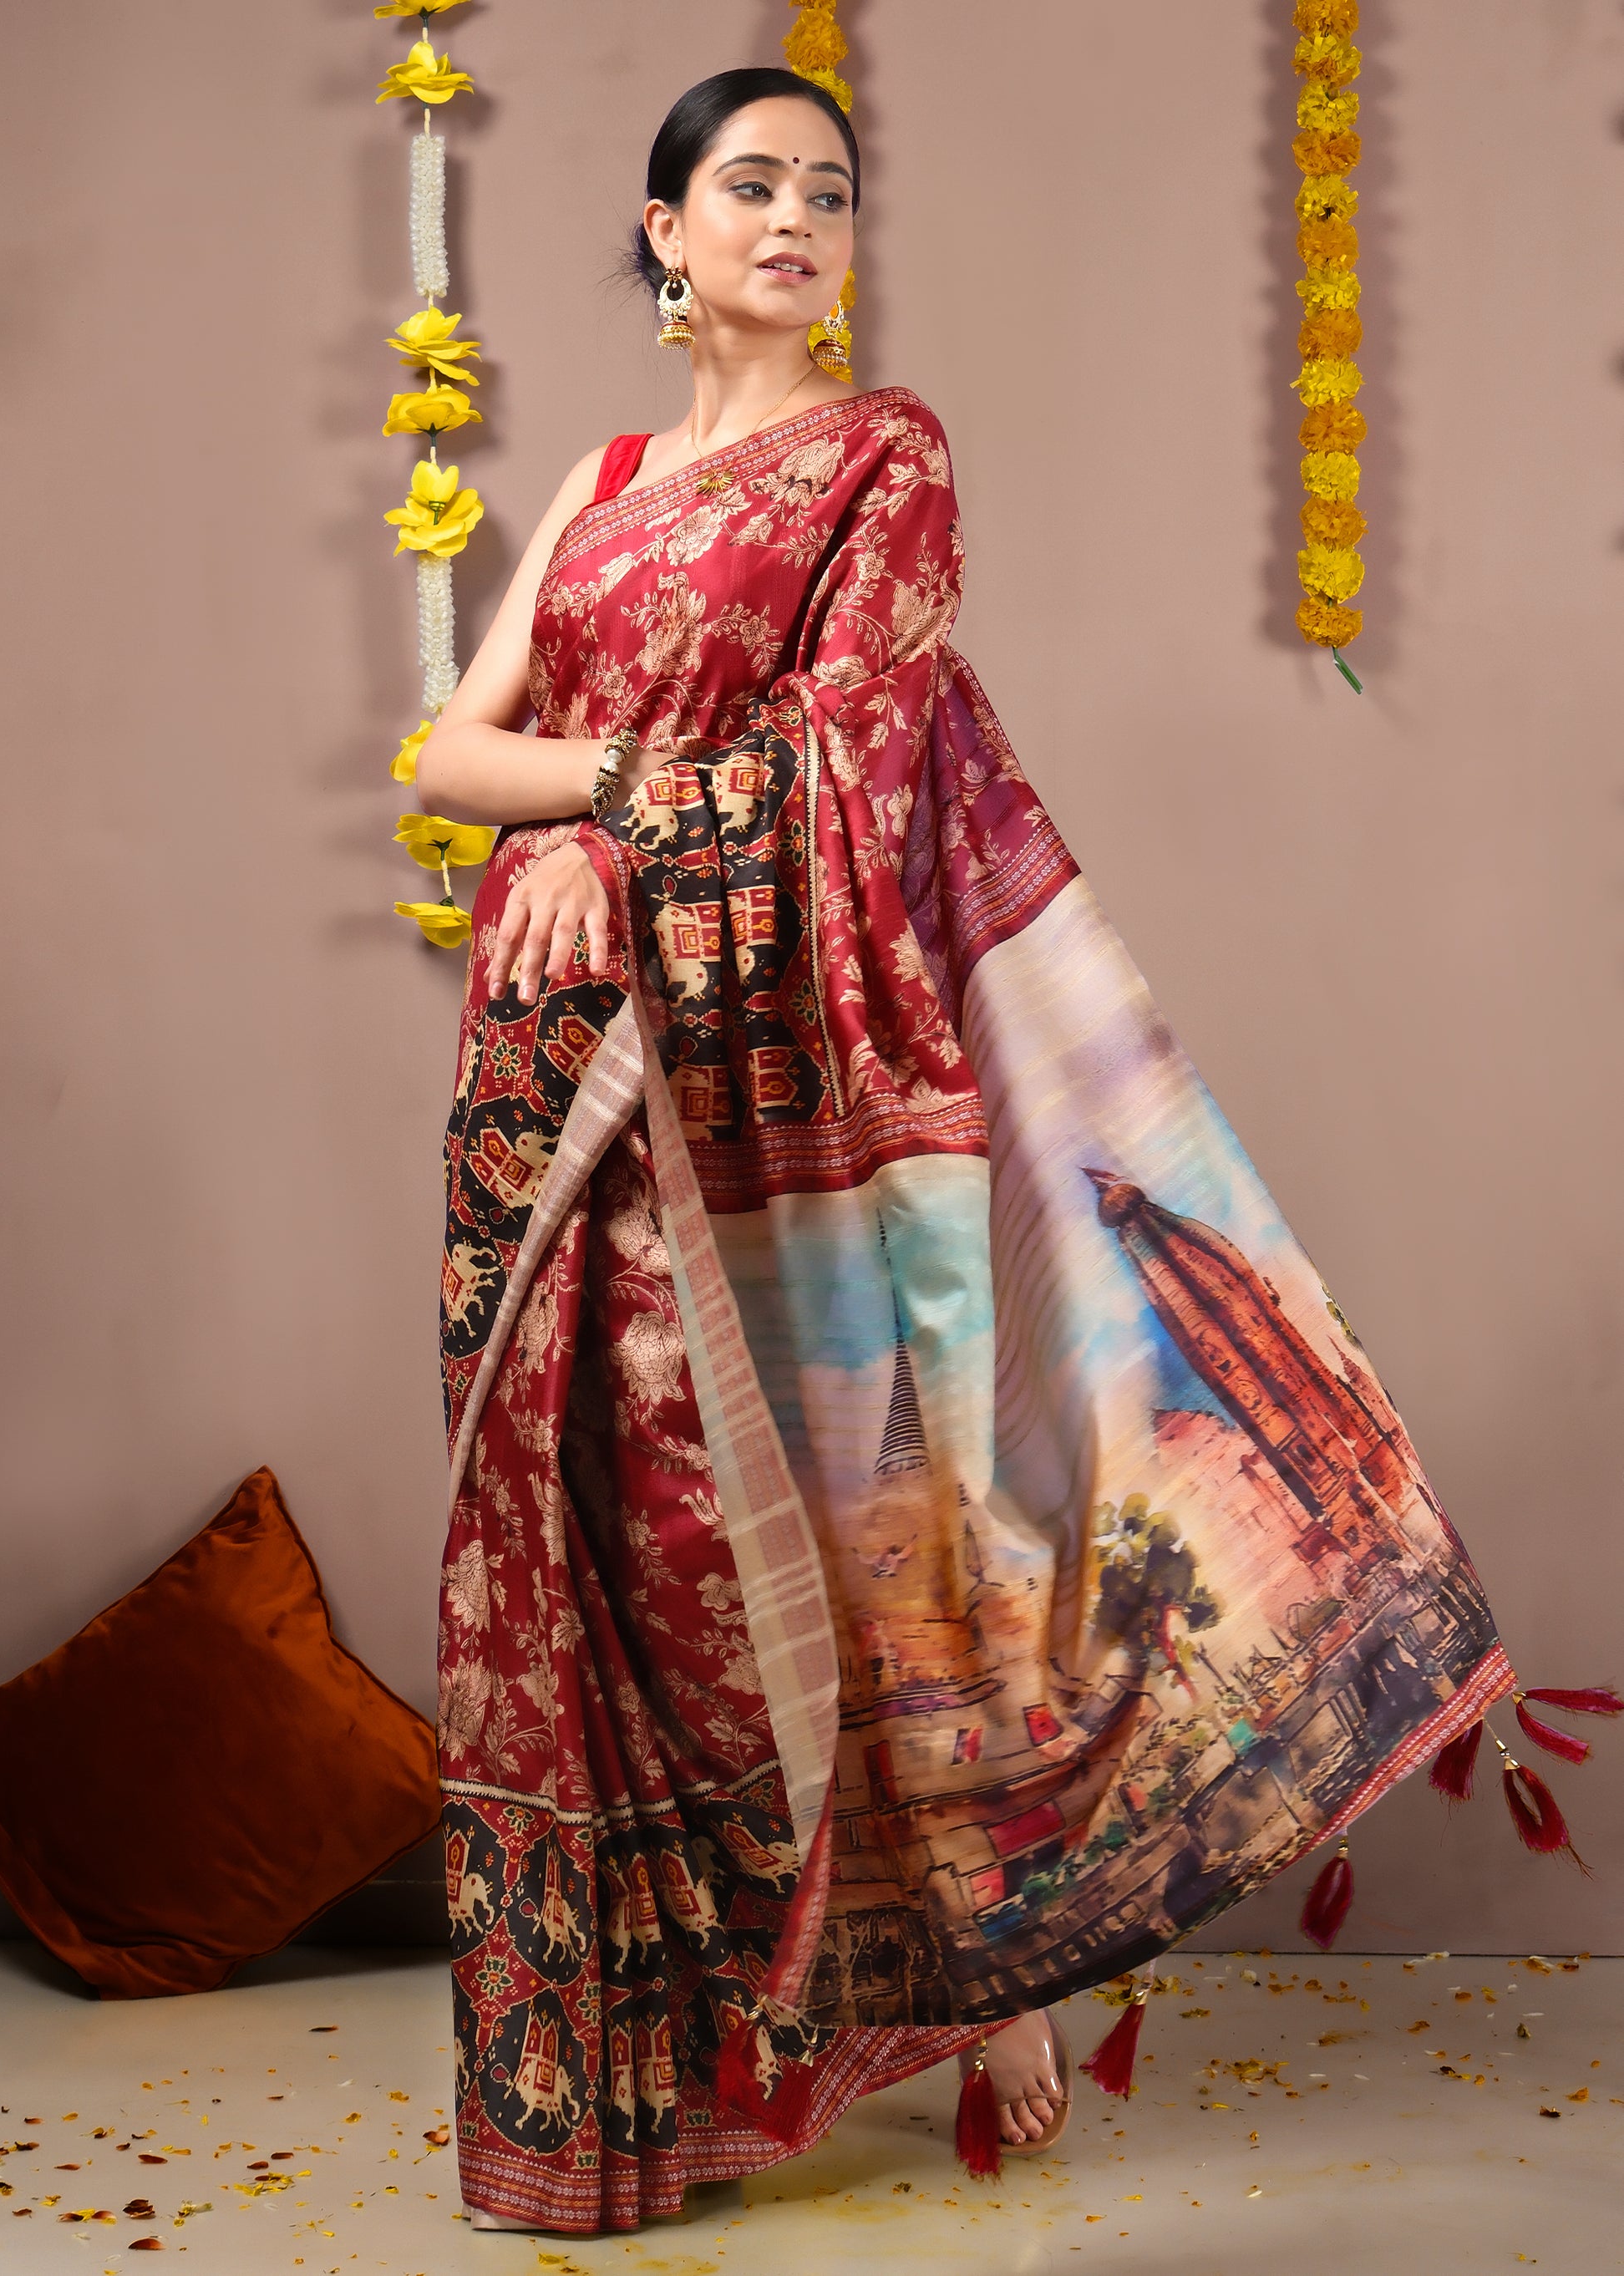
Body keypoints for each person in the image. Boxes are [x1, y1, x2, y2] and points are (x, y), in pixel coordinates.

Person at [414, 66, 1506, 2238]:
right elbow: (449, 744)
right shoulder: (607, 474)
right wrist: (571, 803)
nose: (794, 220)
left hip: (769, 1085)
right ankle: (635, 2078)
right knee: (595, 1570)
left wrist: (600, 824)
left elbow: (851, 743)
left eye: (826, 188)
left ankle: (987, 1959)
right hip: (551, 1101)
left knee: (851, 1524)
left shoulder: (878, 454)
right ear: (658, 230)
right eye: (748, 186)